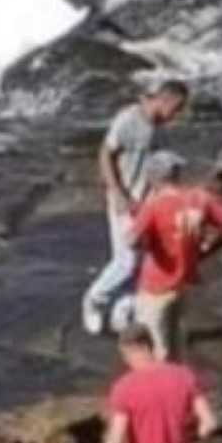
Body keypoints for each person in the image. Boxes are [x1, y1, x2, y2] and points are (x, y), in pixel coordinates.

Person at [81, 80, 190, 336]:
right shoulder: (129, 120)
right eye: (177, 108)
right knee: (126, 261)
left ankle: (122, 312)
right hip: (124, 200)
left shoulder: (160, 128)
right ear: (166, 100)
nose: (177, 115)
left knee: (144, 262)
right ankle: (95, 299)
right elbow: (105, 154)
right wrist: (118, 193)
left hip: (147, 203)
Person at [125, 153, 222, 362]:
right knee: (176, 339)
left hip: (155, 285)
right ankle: (177, 379)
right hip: (183, 281)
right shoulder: (198, 198)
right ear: (176, 174)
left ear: (153, 179)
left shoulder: (154, 206)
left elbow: (132, 240)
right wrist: (205, 252)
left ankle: (160, 389)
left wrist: (150, 244)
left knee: (154, 345)